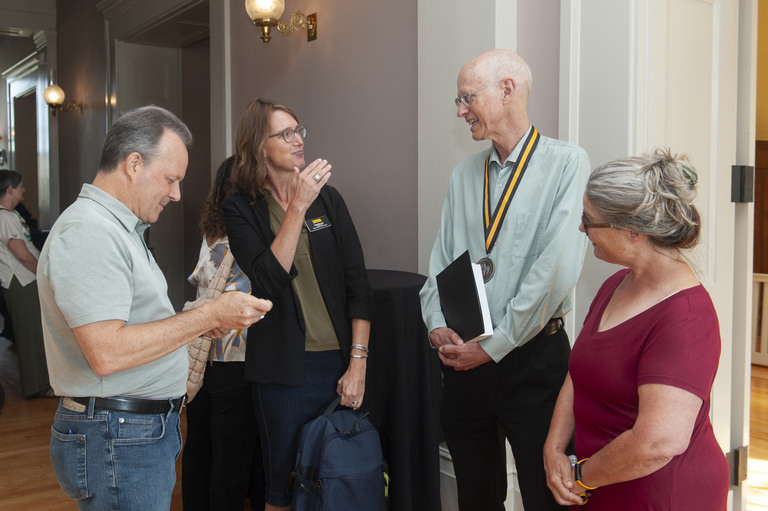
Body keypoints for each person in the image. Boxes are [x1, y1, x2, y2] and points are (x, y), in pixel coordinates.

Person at [37, 105, 273, 510]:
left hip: (129, 431)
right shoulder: (90, 233)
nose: (176, 194)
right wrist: (209, 314)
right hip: (117, 433)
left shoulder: (119, 230)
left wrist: (196, 326)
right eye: (171, 179)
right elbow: (107, 352)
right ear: (133, 164)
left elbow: (135, 326)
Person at [419, 49, 590, 511]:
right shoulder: (463, 175)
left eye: (466, 97)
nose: (460, 111)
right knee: (476, 494)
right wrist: (436, 322)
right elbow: (441, 262)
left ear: (507, 90)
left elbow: (554, 273)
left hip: (533, 361)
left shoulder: (567, 164)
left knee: (545, 493)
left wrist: (492, 347)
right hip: (464, 362)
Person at [543, 149, 729, 509]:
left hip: (662, 494)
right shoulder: (616, 283)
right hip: (598, 481)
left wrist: (581, 476)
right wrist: (554, 449)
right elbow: (578, 372)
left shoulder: (686, 317)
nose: (582, 228)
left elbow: (657, 443)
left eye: (589, 219)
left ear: (632, 230)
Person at [221, 98, 374, 511]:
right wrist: (298, 204)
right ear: (259, 146)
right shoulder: (240, 207)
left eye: (298, 131)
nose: (297, 140)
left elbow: (358, 286)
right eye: (284, 134)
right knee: (284, 489)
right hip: (282, 371)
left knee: (339, 478)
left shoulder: (330, 200)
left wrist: (357, 362)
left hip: (340, 364)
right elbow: (269, 280)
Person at [182, 156, 265, 511]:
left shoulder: (212, 231)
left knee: (200, 446)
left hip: (203, 352)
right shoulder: (249, 232)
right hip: (237, 353)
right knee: (231, 457)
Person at [0, 170, 51, 398]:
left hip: (26, 280)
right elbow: (22, 255)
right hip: (20, 281)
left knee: (35, 333)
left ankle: (40, 383)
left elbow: (29, 247)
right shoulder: (5, 218)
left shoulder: (12, 216)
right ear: (10, 189)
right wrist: (43, 274)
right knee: (30, 335)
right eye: (21, 186)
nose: (24, 190)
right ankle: (35, 386)